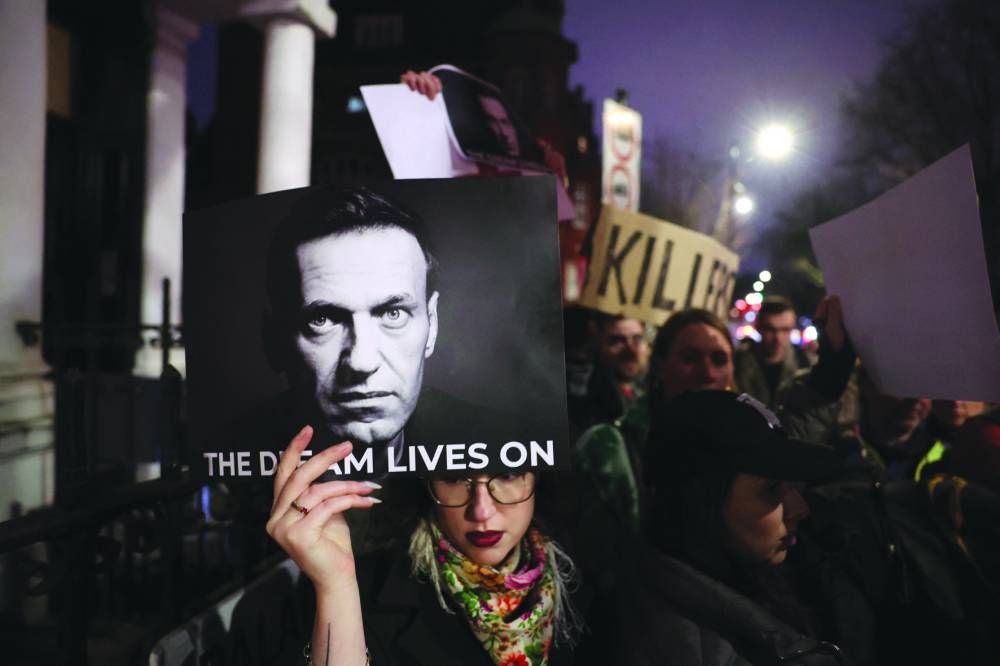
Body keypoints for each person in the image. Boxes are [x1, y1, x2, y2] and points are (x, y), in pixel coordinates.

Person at [615, 390, 1000, 665]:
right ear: (697, 502)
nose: (798, 507)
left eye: (792, 486)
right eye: (771, 490)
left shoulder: (761, 580)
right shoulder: (683, 647)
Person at [267, 426, 587, 665]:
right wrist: (336, 586)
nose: (481, 511)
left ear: (540, 477)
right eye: (453, 477)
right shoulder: (365, 592)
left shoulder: (595, 577)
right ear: (425, 483)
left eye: (507, 473)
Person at [253, 186, 512, 477]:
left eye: (393, 314)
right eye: (323, 319)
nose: (362, 362)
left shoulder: (507, 444)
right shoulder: (226, 470)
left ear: (432, 324)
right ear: (275, 340)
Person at [574, 308, 734, 533]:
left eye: (719, 359)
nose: (708, 373)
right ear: (660, 366)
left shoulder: (747, 447)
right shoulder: (608, 449)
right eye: (690, 358)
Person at [734, 295, 812, 407]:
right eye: (770, 329)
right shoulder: (737, 362)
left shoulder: (805, 363)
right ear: (758, 327)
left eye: (785, 330)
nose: (778, 338)